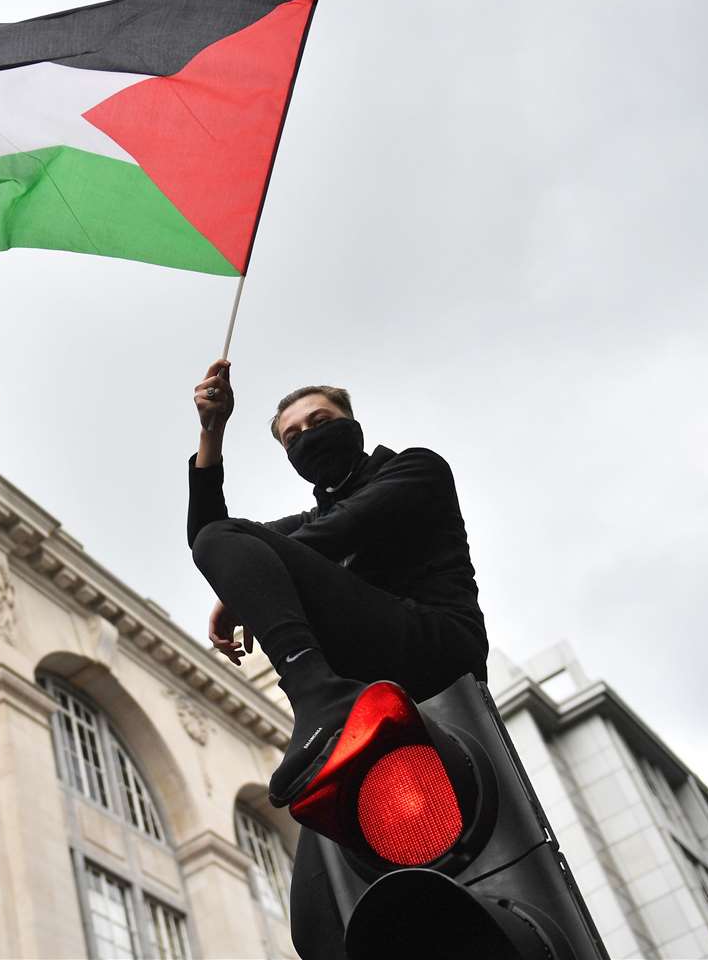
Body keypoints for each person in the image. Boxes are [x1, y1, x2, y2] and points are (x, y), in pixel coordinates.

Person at [186, 359, 489, 900]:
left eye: (319, 420)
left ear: (352, 422)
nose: (308, 437)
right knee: (320, 911)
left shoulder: (414, 470)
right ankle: (328, 707)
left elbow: (339, 531)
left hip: (438, 649)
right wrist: (213, 433)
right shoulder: (308, 521)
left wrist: (243, 585)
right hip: (376, 697)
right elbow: (211, 535)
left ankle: (316, 697)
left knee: (237, 544)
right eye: (292, 437)